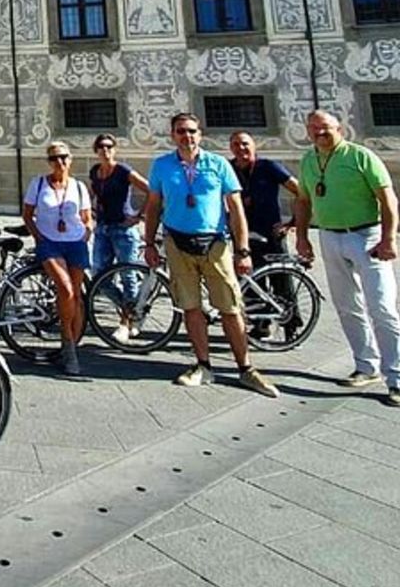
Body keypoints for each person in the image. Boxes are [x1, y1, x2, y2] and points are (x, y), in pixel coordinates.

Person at [144, 113, 278, 397]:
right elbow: (153, 205)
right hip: (177, 241)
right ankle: (203, 365)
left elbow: (236, 209)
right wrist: (149, 244)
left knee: (230, 307)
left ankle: (246, 368)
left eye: (192, 131)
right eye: (181, 131)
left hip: (215, 243)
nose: (187, 136)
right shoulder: (162, 165)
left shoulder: (218, 164)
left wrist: (243, 250)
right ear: (172, 135)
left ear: (200, 134)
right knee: (190, 307)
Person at [293, 110, 400, 405]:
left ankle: (397, 377)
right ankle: (366, 366)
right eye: (313, 128)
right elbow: (302, 200)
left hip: (367, 236)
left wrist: (389, 238)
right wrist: (301, 237)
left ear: (339, 128)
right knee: (346, 306)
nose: (319, 132)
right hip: (330, 235)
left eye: (325, 127)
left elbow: (388, 199)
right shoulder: (308, 160)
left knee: (382, 307)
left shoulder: (360, 156)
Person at [23, 142, 92, 376]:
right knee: (65, 289)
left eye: (63, 157)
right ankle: (67, 342)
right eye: (54, 158)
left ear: (70, 159)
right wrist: (39, 237)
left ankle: (71, 347)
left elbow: (87, 217)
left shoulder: (79, 187)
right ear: (49, 162)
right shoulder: (38, 184)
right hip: (49, 243)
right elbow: (27, 214)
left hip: (75, 242)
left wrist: (86, 234)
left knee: (77, 296)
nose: (59, 162)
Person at [229, 131, 302, 339]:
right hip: (243, 234)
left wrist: (293, 222)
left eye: (245, 144)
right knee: (250, 280)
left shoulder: (268, 166)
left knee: (282, 280)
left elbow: (300, 191)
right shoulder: (229, 168)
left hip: (271, 233)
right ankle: (260, 324)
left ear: (254, 145)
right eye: (236, 144)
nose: (241, 148)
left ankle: (291, 326)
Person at [89, 133, 149, 344]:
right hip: (103, 228)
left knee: (127, 276)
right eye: (101, 147)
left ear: (114, 150)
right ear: (96, 151)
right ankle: (132, 309)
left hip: (123, 229)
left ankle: (126, 321)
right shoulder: (95, 171)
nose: (105, 150)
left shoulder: (123, 170)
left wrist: (139, 216)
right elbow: (93, 192)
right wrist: (91, 210)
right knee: (99, 277)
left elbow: (151, 190)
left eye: (109, 146)